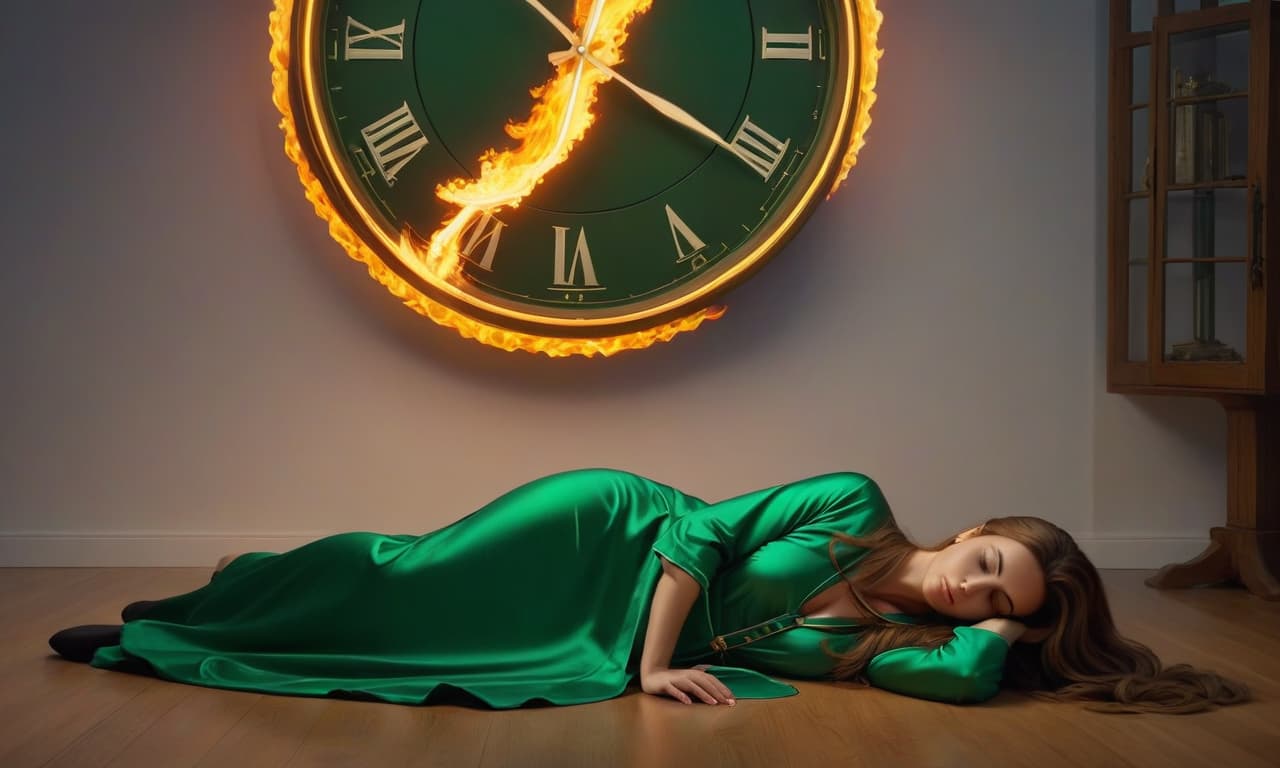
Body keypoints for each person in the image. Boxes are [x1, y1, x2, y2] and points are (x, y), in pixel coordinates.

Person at [48, 468, 1248, 714]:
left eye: (996, 604)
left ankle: (184, 629)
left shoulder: (890, 652)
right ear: (972, 525)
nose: (968, 594)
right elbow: (695, 532)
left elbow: (967, 683)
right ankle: (214, 600)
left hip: (601, 637)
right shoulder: (850, 502)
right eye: (984, 564)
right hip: (609, 538)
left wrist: (1021, 634)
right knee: (403, 574)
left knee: (407, 648)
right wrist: (646, 666)